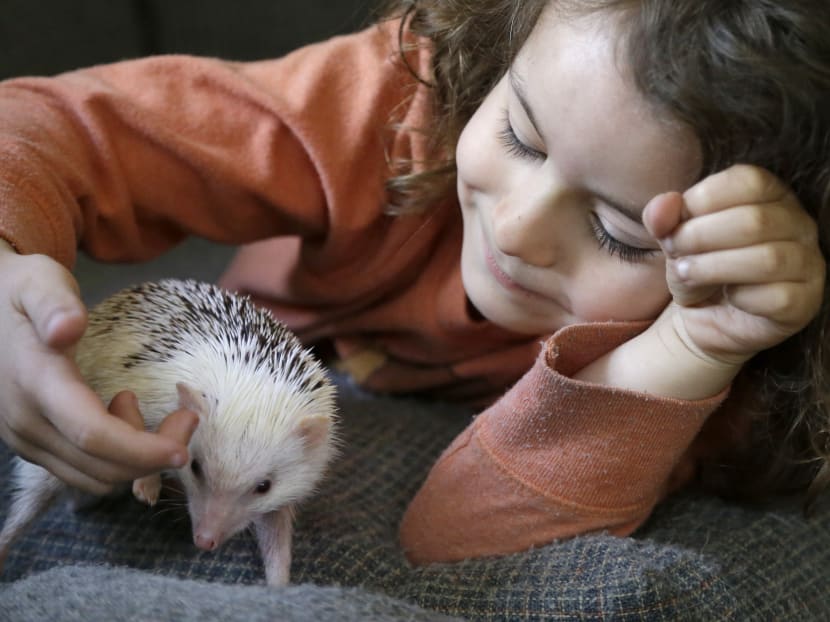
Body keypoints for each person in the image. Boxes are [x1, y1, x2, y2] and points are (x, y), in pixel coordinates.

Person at [0, 0, 827, 566]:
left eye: (618, 231)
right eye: (522, 136)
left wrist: (692, 346)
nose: (514, 227)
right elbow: (61, 127)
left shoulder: (740, 349)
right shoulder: (396, 101)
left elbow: (452, 541)